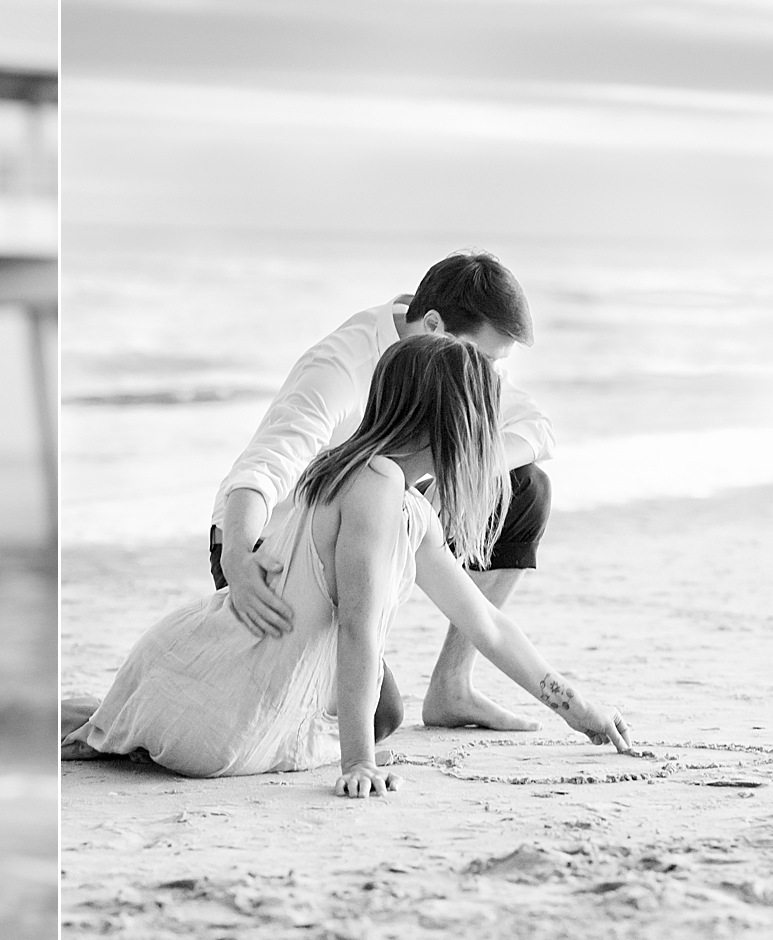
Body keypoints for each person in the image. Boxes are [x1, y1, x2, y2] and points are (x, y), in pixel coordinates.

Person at [64, 336, 630, 796]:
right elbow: (358, 625)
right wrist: (360, 763)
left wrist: (577, 709)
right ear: (457, 422)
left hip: (208, 682)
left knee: (383, 715)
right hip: (224, 715)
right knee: (375, 722)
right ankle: (128, 721)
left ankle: (124, 721)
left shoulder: (395, 498)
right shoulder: (377, 486)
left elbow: (486, 623)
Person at [212, 251, 555, 733]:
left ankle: (453, 686)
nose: (490, 379)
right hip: (274, 552)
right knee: (380, 717)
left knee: (526, 488)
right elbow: (262, 469)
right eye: (485, 360)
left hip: (369, 542)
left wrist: (454, 476)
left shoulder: (462, 365)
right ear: (434, 325)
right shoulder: (339, 367)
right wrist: (237, 560)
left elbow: (537, 429)